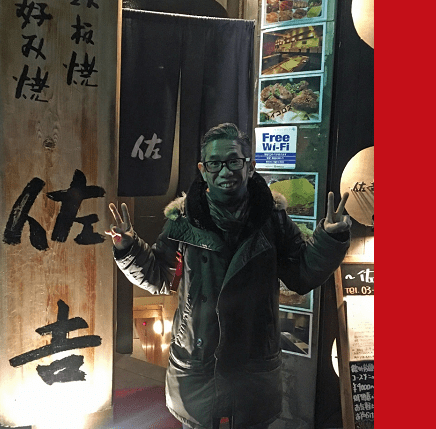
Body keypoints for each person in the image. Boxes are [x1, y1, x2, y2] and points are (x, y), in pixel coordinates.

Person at [107, 123, 351, 429]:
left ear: (250, 165)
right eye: (215, 163)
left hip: (253, 358)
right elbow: (157, 276)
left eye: (234, 161)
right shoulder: (183, 219)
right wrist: (128, 248)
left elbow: (301, 274)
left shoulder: (272, 218)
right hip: (197, 358)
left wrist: (329, 240)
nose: (225, 171)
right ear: (203, 169)